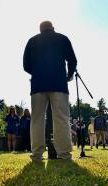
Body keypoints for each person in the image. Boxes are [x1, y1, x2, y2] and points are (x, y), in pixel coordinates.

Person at [23, 21, 77, 160]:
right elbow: (72, 60)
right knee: (61, 118)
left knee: (37, 120)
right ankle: (64, 154)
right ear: (53, 28)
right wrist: (69, 75)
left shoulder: (32, 41)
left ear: (40, 30)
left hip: (38, 85)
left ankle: (37, 154)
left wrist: (37, 72)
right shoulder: (62, 38)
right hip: (58, 82)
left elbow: (25, 65)